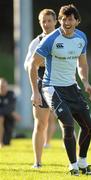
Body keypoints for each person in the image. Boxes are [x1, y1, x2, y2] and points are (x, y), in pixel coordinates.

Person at [28, 4, 91, 176]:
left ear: (77, 21)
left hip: (72, 86)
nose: (66, 22)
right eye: (63, 19)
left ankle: (82, 162)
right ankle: (72, 166)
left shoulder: (82, 38)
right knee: (67, 123)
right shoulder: (51, 39)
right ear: (60, 21)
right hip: (52, 87)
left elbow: (82, 63)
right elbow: (32, 65)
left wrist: (86, 82)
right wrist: (35, 91)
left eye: (70, 19)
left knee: (89, 126)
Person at [24, 9, 57, 168]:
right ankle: (37, 162)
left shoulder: (63, 38)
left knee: (68, 123)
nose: (46, 24)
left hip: (61, 84)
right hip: (41, 85)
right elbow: (27, 64)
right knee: (40, 124)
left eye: (49, 21)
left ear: (55, 21)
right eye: (43, 21)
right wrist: (38, 63)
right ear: (40, 23)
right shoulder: (36, 42)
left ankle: (75, 162)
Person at [0, 78, 20, 148]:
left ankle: (3, 141)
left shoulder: (11, 94)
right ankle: (0, 142)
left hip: (9, 119)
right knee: (0, 118)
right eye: (1, 87)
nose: (2, 89)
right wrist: (12, 112)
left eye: (4, 87)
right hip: (6, 116)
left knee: (7, 143)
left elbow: (10, 107)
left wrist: (11, 112)